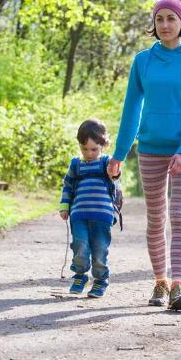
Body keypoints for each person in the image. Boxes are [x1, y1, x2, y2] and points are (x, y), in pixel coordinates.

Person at [108, 0, 181, 311]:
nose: (164, 25)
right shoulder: (143, 61)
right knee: (155, 219)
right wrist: (119, 154)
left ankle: (178, 284)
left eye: (171, 19)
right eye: (159, 19)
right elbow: (131, 110)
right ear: (154, 23)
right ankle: (160, 282)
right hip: (150, 148)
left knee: (179, 216)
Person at [59, 118, 121, 298]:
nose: (89, 153)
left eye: (94, 149)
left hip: (102, 215)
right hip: (78, 214)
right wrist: (65, 206)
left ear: (103, 145)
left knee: (100, 248)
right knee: (80, 245)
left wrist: (114, 171)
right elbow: (67, 186)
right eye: (84, 148)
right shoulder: (75, 164)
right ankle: (80, 276)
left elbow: (116, 176)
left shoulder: (106, 163)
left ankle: (101, 279)